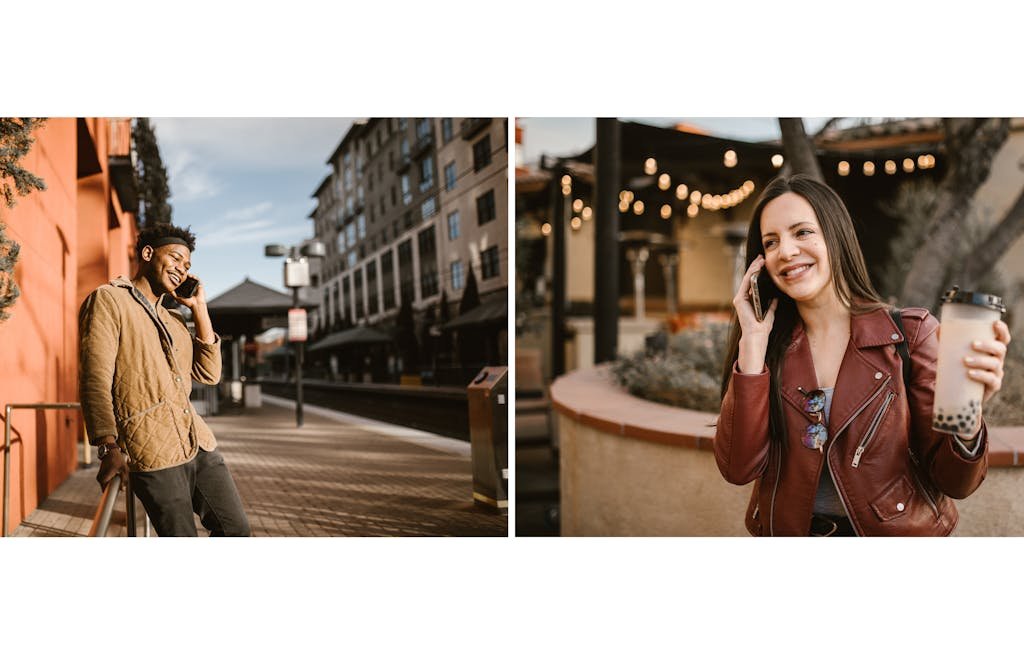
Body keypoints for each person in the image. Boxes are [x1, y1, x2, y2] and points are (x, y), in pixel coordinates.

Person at [714, 174, 1010, 536]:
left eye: (802, 232)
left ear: (835, 236)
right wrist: (753, 345)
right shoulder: (764, 351)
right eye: (771, 242)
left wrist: (970, 413)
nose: (786, 252)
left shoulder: (909, 335)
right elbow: (738, 468)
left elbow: (955, 482)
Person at [79, 223, 250, 537]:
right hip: (152, 449)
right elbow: (94, 377)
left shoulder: (174, 319)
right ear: (147, 254)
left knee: (237, 529)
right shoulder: (109, 300)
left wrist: (199, 308)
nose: (182, 270)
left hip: (198, 443)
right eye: (175, 259)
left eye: (187, 266)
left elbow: (209, 374)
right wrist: (107, 446)